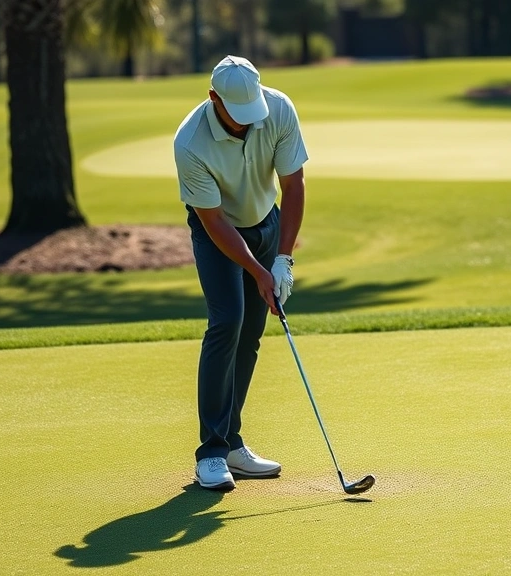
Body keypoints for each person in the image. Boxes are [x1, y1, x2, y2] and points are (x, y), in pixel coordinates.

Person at [173, 55, 308, 491]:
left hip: (265, 221)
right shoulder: (191, 142)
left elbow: (293, 185)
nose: (249, 123)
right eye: (238, 113)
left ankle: (231, 442)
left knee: (250, 331)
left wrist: (282, 260)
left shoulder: (278, 108)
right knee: (227, 320)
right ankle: (210, 452)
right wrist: (256, 270)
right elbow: (213, 221)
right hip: (220, 233)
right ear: (214, 98)